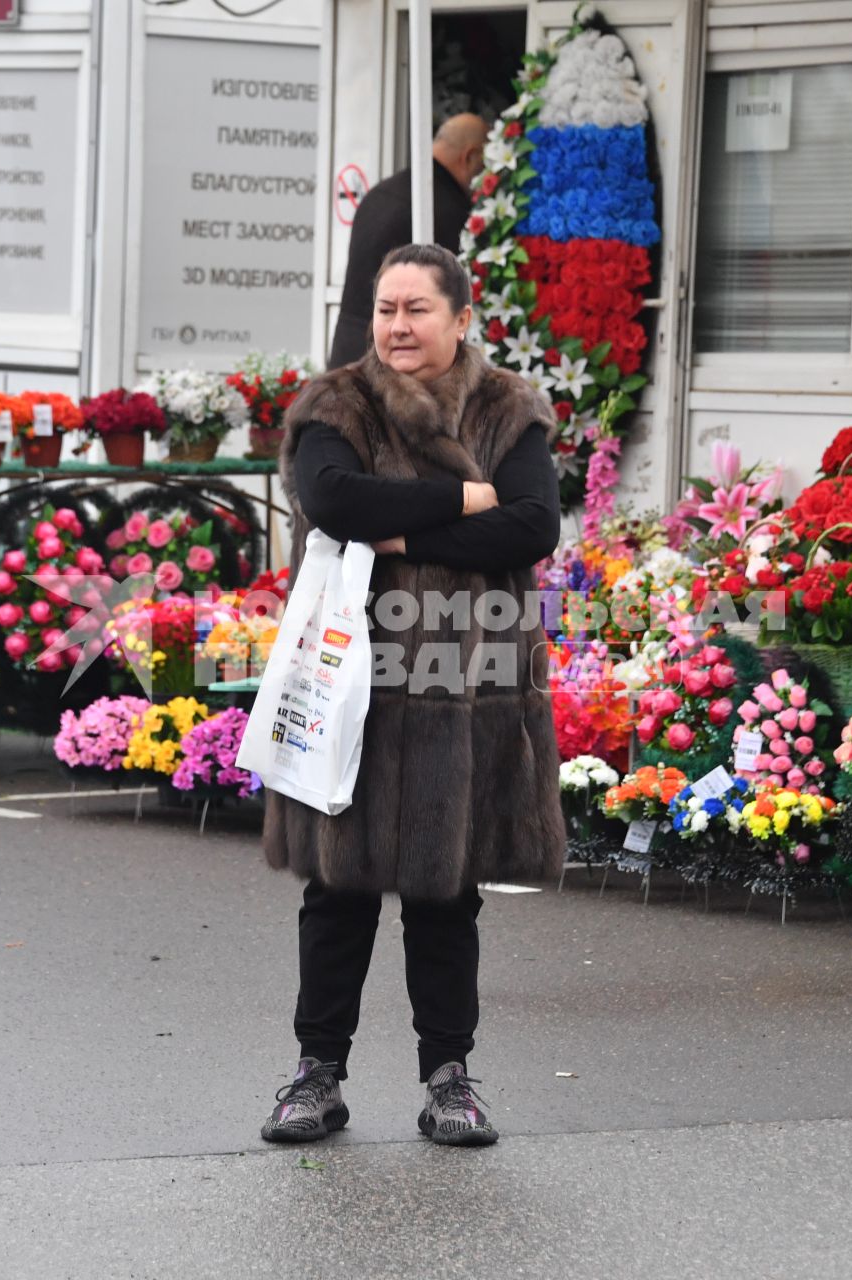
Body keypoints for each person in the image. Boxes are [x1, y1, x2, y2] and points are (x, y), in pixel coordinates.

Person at [260, 243, 565, 1148]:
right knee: (336, 892)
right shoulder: (337, 402)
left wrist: (398, 531)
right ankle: (317, 1076)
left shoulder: (508, 409)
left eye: (416, 309)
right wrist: (463, 500)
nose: (396, 326)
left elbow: (533, 523)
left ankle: (450, 1081)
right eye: (385, 309)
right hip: (354, 678)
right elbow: (332, 500)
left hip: (468, 690)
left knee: (447, 894)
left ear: (461, 318)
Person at [326, 114, 489, 370]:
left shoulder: (381, 193)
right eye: (485, 165)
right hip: (392, 366)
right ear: (469, 157)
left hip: (348, 353)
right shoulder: (443, 210)